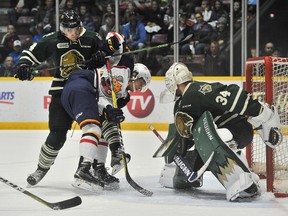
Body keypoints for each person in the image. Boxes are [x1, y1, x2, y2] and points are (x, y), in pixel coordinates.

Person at [13, 10, 121, 188]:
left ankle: (93, 168)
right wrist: (23, 65)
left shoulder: (91, 38)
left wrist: (100, 59)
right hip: (61, 90)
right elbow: (30, 53)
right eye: (67, 30)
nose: (72, 34)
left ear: (80, 26)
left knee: (95, 128)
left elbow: (106, 64)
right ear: (62, 28)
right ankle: (41, 168)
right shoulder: (52, 39)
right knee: (57, 135)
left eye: (75, 30)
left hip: (86, 90)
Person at [159, 62, 282, 201]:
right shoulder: (184, 100)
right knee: (200, 148)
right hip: (230, 130)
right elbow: (189, 131)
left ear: (173, 82)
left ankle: (242, 179)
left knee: (215, 138)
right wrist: (179, 153)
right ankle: (183, 178)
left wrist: (260, 111)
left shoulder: (196, 90)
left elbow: (230, 94)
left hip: (237, 129)